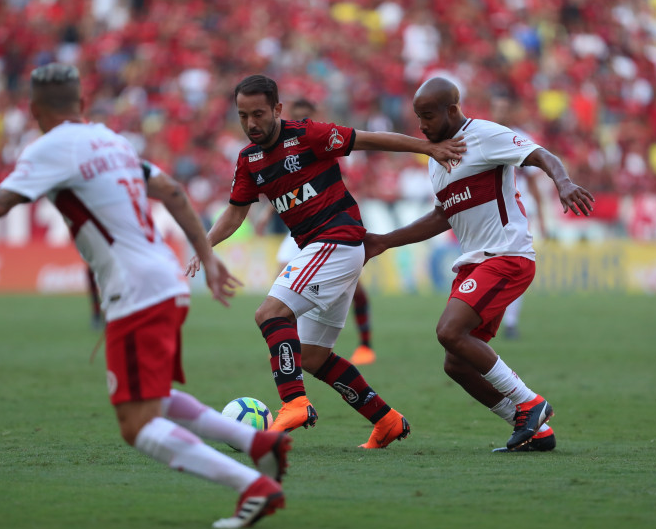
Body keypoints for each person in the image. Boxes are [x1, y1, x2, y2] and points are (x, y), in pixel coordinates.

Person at [0, 63, 292, 529]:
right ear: (82, 103)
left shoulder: (49, 148)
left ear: (34, 110)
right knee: (153, 397)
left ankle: (252, 485)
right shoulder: (111, 140)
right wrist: (206, 256)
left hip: (136, 291)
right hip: (164, 281)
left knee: (136, 424)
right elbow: (170, 190)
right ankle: (257, 443)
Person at [188, 74, 464, 448]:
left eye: (258, 114)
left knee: (269, 314)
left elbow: (369, 139)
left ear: (277, 109)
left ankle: (294, 403)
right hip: (325, 249)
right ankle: (386, 420)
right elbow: (236, 213)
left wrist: (427, 148)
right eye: (243, 116)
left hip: (337, 240)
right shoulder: (249, 159)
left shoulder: (307, 135)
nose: (251, 123)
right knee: (313, 355)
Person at [364, 77, 594, 452]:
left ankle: (531, 403)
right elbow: (442, 216)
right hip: (475, 264)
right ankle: (532, 429)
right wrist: (384, 241)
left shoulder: (484, 135)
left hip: (506, 256)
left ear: (453, 110)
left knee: (449, 331)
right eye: (418, 117)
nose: (422, 125)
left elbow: (540, 154)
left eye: (428, 116)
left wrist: (563, 183)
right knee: (455, 364)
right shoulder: (437, 160)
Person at [260, 98, 376, 366]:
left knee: (355, 288)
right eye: (297, 116)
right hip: (300, 230)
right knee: (281, 281)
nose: (300, 120)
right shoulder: (283, 148)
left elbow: (335, 183)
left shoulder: (319, 145)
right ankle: (287, 344)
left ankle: (365, 344)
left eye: (305, 116)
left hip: (330, 226)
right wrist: (267, 213)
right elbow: (284, 188)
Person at [489, 93, 547, 340]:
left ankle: (510, 322)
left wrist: (542, 218)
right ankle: (486, 316)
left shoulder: (521, 139)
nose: (500, 112)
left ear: (511, 111)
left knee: (514, 263)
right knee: (488, 263)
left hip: (516, 212)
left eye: (504, 108)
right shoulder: (483, 136)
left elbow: (533, 181)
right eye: (497, 107)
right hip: (489, 212)